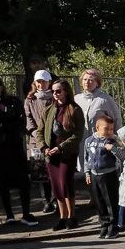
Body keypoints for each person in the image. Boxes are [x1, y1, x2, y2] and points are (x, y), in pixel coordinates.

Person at [0, 76, 38, 227]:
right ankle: (9, 215)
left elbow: (18, 122)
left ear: (0, 87)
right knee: (2, 183)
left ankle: (26, 214)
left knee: (22, 182)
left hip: (14, 147)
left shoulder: (13, 102)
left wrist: (1, 111)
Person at [41, 80, 86, 231]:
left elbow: (77, 135)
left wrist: (61, 147)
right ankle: (62, 216)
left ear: (66, 91)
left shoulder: (74, 109)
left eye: (58, 91)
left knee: (65, 183)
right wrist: (44, 147)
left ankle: (72, 217)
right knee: (56, 187)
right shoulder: (49, 110)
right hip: (51, 154)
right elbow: (40, 131)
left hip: (66, 153)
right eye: (53, 91)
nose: (55, 94)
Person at [74, 68, 122, 174]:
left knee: (101, 172)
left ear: (97, 83)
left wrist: (117, 140)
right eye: (85, 79)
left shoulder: (105, 99)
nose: (87, 82)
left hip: (101, 144)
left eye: (91, 80)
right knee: (85, 170)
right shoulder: (76, 99)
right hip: (83, 143)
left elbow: (116, 119)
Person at [83, 114, 122, 238]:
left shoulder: (112, 140)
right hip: (95, 175)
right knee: (99, 201)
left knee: (111, 201)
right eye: (106, 129)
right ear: (97, 127)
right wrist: (87, 172)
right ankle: (104, 225)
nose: (109, 131)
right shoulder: (89, 141)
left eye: (111, 129)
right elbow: (86, 158)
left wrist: (113, 149)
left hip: (108, 174)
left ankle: (113, 226)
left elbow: (122, 156)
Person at [24, 70, 56, 213]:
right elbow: (28, 119)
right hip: (36, 141)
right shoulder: (30, 99)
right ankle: (46, 201)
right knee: (40, 173)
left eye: (43, 81)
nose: (40, 84)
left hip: (53, 139)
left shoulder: (54, 97)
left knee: (54, 170)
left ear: (49, 82)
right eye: (38, 81)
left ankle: (56, 199)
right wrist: (36, 134)